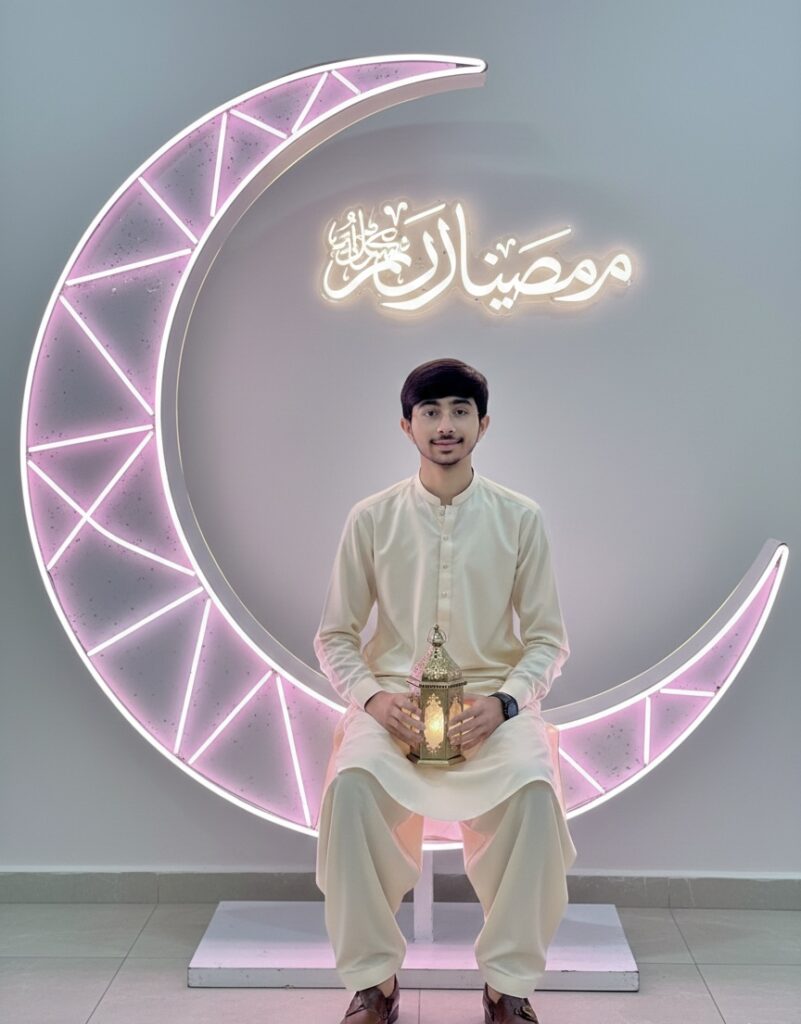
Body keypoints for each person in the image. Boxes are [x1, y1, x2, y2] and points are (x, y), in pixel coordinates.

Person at [313, 358, 576, 1024]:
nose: (445, 425)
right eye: (429, 412)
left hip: (490, 709)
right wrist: (374, 701)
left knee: (536, 794)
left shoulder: (520, 518)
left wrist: (504, 704)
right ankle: (375, 984)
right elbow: (335, 636)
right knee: (350, 787)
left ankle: (507, 988)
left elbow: (547, 639)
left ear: (483, 424)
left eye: (460, 410)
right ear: (406, 426)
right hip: (395, 709)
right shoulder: (372, 518)